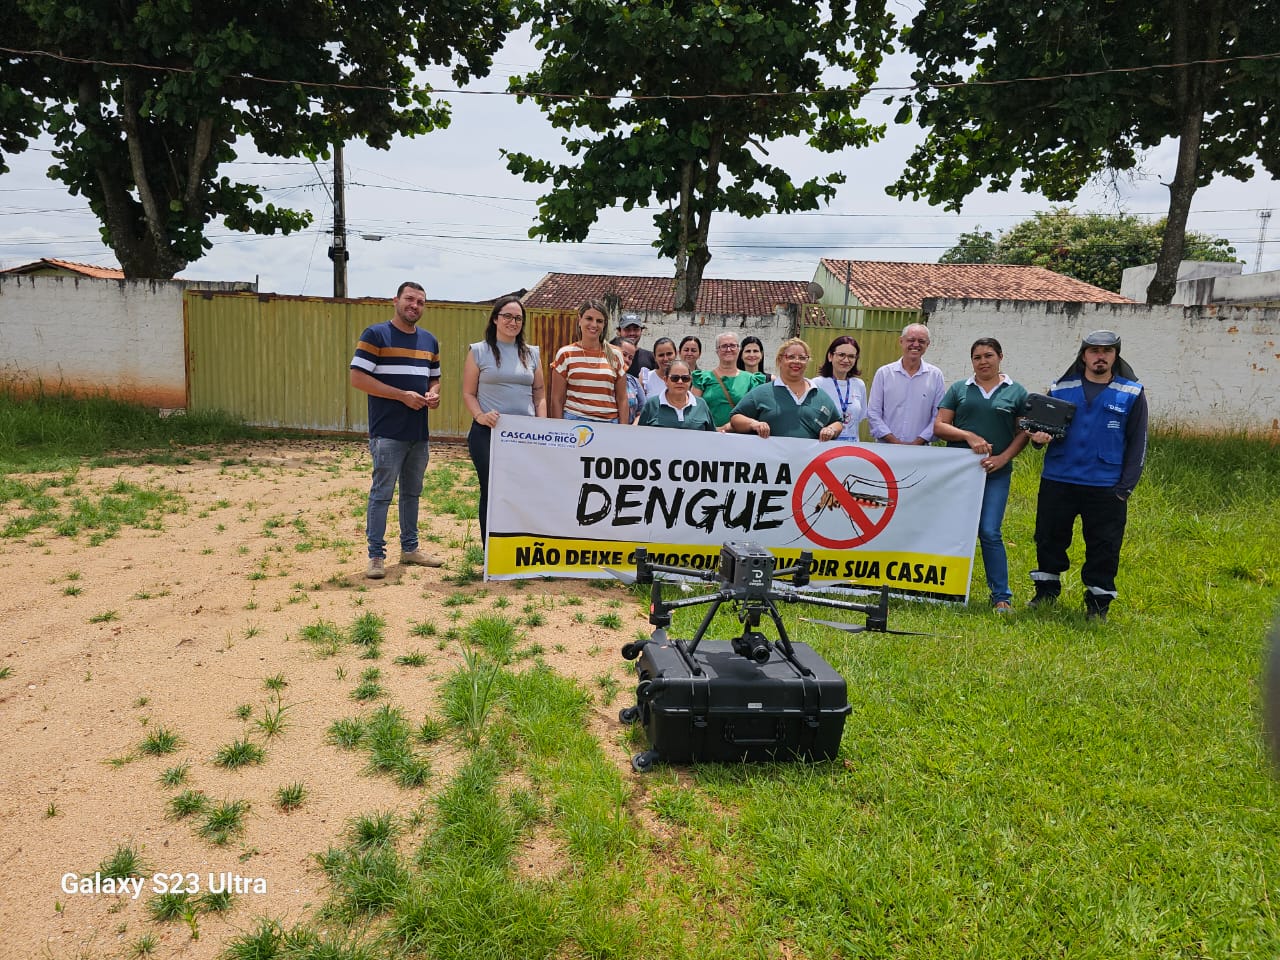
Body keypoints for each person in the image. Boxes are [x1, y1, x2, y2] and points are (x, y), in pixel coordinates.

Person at [1027, 330, 1148, 621]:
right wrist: (1037, 439)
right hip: (1059, 478)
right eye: (1093, 351)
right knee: (1048, 539)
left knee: (1104, 546)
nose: (1100, 357)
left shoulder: (1131, 393)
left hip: (1105, 485)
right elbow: (1040, 432)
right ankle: (1046, 591)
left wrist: (1124, 489)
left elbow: (1138, 443)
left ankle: (1098, 603)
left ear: (1115, 356)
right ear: (1083, 356)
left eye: (1106, 352)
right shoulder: (1060, 388)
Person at [349, 281, 444, 579]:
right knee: (382, 494)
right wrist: (400, 395)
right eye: (409, 299)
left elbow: (434, 379)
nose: (414, 306)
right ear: (395, 300)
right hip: (387, 432)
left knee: (412, 493)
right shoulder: (375, 334)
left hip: (419, 433)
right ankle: (376, 556)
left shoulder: (430, 341)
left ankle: (410, 548)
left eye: (420, 302)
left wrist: (434, 394)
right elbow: (358, 379)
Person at [932, 338, 1030, 612]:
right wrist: (970, 436)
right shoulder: (959, 390)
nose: (983, 361)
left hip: (996, 472)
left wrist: (1003, 458)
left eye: (988, 355)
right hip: (958, 473)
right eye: (977, 357)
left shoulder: (1017, 392)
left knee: (989, 531)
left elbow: (1023, 431)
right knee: (950, 529)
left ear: (1000, 356)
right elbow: (940, 426)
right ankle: (943, 589)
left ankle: (1001, 596)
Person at [462, 296, 546, 543]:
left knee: (523, 492)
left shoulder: (531, 354)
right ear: (496, 319)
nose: (513, 322)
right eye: (507, 316)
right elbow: (468, 392)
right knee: (492, 491)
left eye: (518, 318)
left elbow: (539, 391)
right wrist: (480, 416)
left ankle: (518, 547)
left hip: (525, 436)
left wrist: (541, 423)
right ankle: (492, 552)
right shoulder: (479, 351)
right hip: (488, 433)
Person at [729, 338, 843, 440]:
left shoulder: (819, 395)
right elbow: (736, 418)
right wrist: (754, 424)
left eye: (802, 358)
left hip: (809, 463)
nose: (797, 361)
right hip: (771, 462)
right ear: (779, 360)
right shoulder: (762, 392)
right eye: (791, 357)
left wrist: (831, 430)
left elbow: (837, 422)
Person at [548, 299, 629, 423]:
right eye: (589, 319)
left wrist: (623, 430)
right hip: (574, 422)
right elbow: (556, 399)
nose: (594, 324)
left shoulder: (616, 355)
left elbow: (622, 398)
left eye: (599, 321)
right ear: (579, 319)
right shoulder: (565, 354)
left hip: (609, 423)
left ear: (604, 324)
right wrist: (559, 430)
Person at [868, 322, 945, 444]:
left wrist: (918, 442)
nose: (916, 344)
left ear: (928, 344)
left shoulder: (935, 375)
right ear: (901, 341)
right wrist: (894, 441)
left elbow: (938, 416)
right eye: (911, 340)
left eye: (921, 341)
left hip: (921, 451)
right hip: (886, 449)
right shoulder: (884, 373)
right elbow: (873, 412)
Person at [691, 331, 766, 430]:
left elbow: (756, 412)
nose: (729, 349)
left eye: (732, 346)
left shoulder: (751, 380)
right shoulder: (703, 378)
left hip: (740, 437)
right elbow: (693, 409)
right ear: (717, 351)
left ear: (738, 349)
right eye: (724, 346)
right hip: (710, 435)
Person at [811, 335, 867, 441]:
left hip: (852, 446)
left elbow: (859, 418)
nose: (846, 360)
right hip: (825, 446)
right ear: (830, 356)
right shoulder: (817, 384)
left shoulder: (859, 385)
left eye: (851, 356)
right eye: (841, 355)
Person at [637, 360, 715, 431]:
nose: (680, 382)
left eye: (685, 378)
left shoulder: (701, 405)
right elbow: (641, 437)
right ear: (666, 380)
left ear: (690, 380)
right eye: (675, 378)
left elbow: (711, 437)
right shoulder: (651, 405)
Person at [611, 337, 647, 423]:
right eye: (624, 354)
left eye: (630, 358)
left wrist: (632, 428)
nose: (627, 360)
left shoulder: (633, 381)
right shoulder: (601, 378)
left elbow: (643, 411)